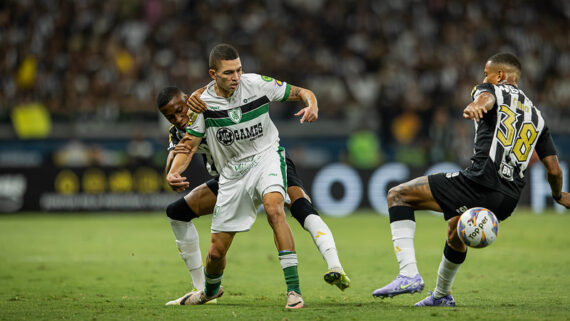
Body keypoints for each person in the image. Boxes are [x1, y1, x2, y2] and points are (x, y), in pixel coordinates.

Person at [372, 52, 570, 306]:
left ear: (499, 76)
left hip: (479, 181)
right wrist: (558, 195)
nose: (483, 78)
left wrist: (478, 105)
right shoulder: (538, 117)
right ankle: (441, 296)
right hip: (508, 199)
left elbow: (486, 98)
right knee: (456, 227)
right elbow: (553, 169)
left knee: (397, 195)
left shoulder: (490, 89)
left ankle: (408, 274)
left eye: (486, 73)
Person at [164, 43, 328, 308]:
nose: (236, 77)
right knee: (216, 251)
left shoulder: (256, 84)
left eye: (238, 70)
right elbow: (187, 147)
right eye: (229, 72)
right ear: (212, 74)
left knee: (276, 210)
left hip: (265, 158)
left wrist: (313, 104)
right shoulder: (199, 104)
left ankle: (294, 291)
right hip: (230, 176)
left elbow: (302, 92)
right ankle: (208, 291)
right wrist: (172, 173)